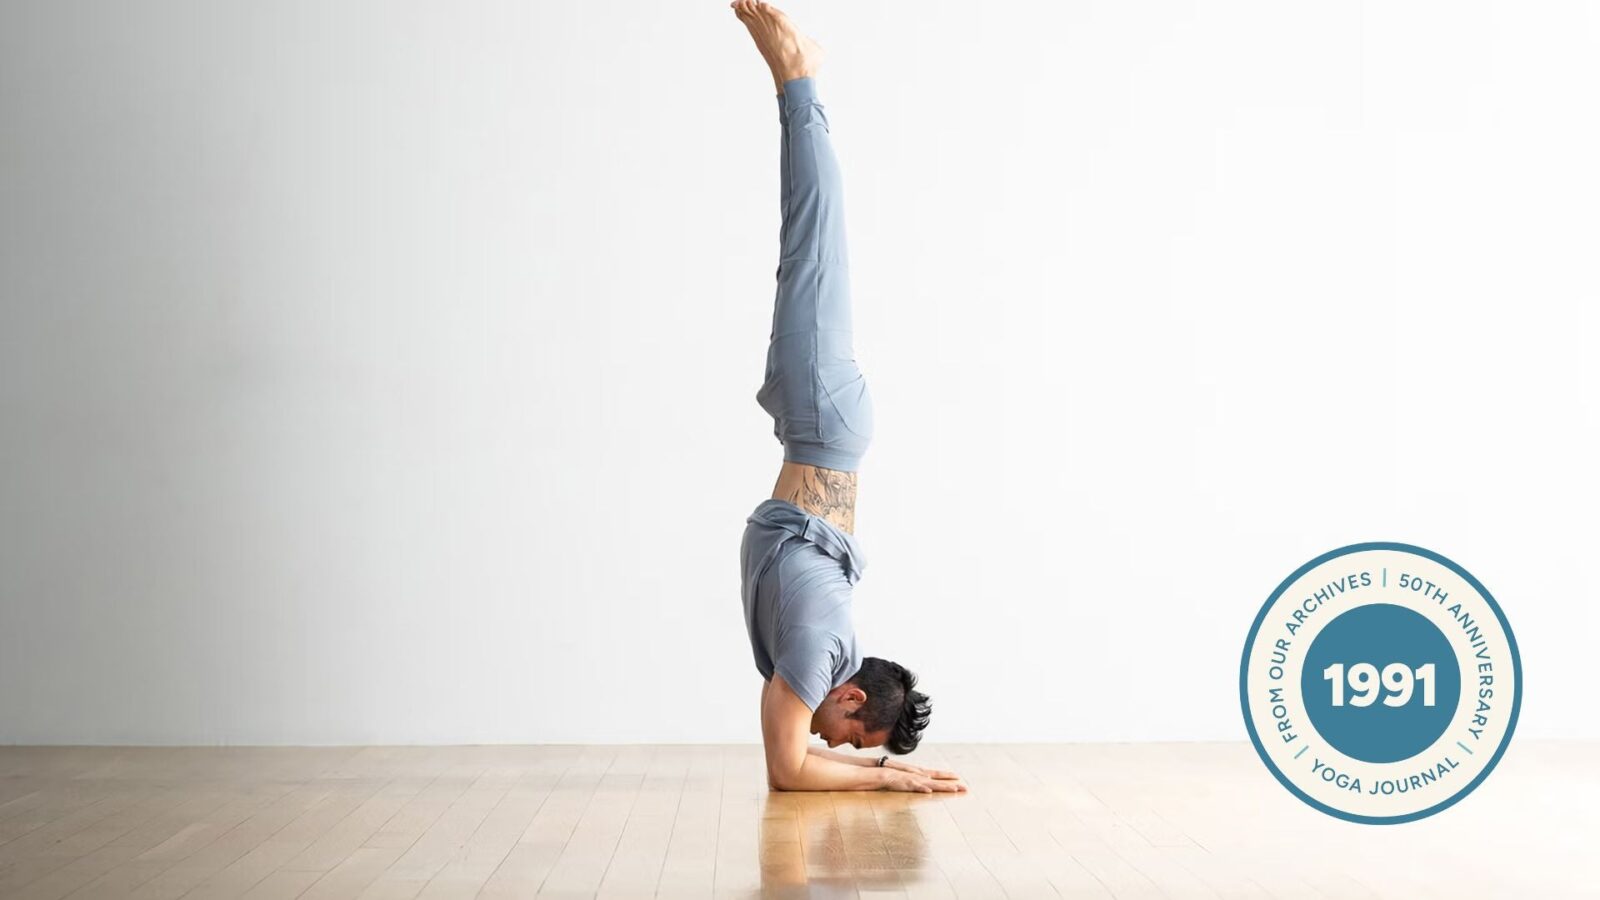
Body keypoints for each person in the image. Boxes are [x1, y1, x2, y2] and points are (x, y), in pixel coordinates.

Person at [732, 0, 967, 794]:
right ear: (851, 698)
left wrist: (889, 769)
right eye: (855, 739)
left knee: (809, 249)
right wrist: (886, 783)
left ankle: (800, 82)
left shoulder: (826, 653)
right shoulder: (814, 652)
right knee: (812, 242)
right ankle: (799, 76)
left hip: (818, 425)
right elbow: (788, 772)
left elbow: (801, 761)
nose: (839, 744)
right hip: (818, 418)